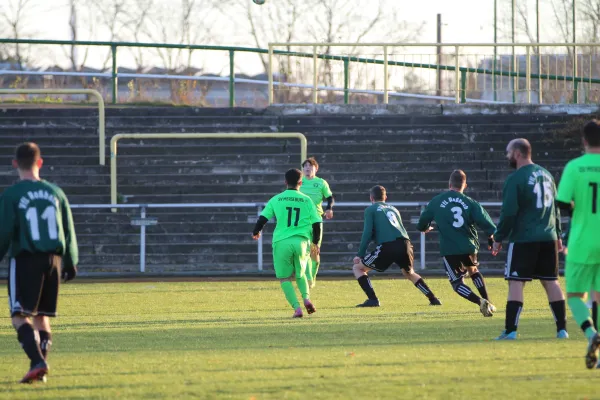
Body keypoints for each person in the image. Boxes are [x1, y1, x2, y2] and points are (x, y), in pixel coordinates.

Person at [0, 142, 79, 384]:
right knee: (41, 316)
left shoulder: (12, 194)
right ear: (40, 162)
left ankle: (37, 362)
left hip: (26, 258)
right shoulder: (56, 192)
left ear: (15, 164)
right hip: (53, 260)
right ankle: (40, 369)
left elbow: (3, 231)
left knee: (19, 315)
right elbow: (68, 229)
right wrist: (71, 261)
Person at [491, 138, 568, 340]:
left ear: (517, 153)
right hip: (549, 236)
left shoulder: (515, 179)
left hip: (524, 238)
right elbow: (555, 209)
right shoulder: (547, 175)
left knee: (516, 282)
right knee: (552, 282)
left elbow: (509, 213)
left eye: (508, 152)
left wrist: (498, 237)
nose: (507, 156)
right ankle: (562, 330)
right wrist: (558, 235)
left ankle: (510, 331)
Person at [417, 170, 496, 317]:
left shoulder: (437, 201)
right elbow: (488, 225)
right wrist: (491, 238)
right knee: (473, 271)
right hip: (469, 246)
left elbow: (422, 222)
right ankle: (489, 302)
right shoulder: (471, 203)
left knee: (457, 283)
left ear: (449, 184)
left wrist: (425, 228)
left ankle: (480, 302)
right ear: (465, 185)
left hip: (450, 249)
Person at [555, 119, 600, 368]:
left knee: (574, 295)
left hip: (582, 242)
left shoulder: (575, 166)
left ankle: (592, 335)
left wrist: (577, 211)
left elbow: (562, 203)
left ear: (584, 140)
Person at [353, 185, 441, 307]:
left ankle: (373, 299)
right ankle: (433, 298)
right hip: (405, 244)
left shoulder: (371, 209)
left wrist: (360, 254)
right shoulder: (394, 209)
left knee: (358, 268)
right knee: (409, 273)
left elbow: (367, 232)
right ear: (385, 197)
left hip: (388, 245)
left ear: (371, 198)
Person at [252, 168, 321, 318]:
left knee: (284, 278)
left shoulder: (277, 199)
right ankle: (306, 299)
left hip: (282, 241)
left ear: (285, 182)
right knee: (301, 274)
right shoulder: (307, 200)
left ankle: (297, 308)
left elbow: (263, 218)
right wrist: (315, 241)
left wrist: (256, 231)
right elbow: (317, 222)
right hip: (302, 242)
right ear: (300, 183)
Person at [299, 157, 334, 288]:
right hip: (302, 221)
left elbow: (330, 197)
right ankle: (308, 278)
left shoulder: (321, 183)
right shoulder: (299, 182)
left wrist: (329, 208)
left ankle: (312, 275)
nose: (307, 168)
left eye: (310, 166)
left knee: (314, 252)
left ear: (316, 168)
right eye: (305, 166)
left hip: (316, 221)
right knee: (305, 250)